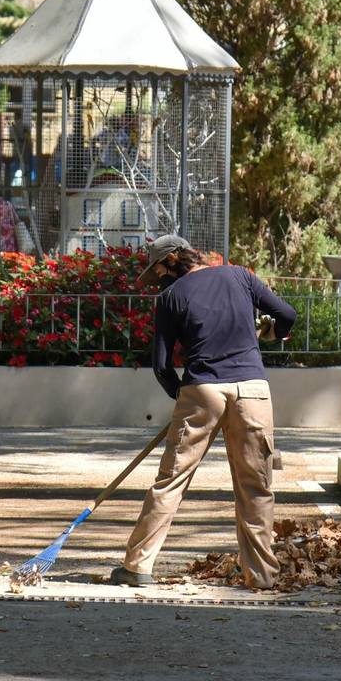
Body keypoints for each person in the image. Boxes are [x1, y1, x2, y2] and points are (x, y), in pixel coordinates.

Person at [110, 235, 298, 591]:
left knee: (171, 482)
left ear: (171, 262)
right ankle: (261, 576)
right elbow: (287, 315)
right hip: (253, 391)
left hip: (203, 390)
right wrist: (277, 332)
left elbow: (163, 366)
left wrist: (183, 399)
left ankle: (137, 567)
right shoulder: (240, 276)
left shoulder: (170, 297)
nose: (159, 280)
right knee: (256, 486)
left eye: (158, 272)